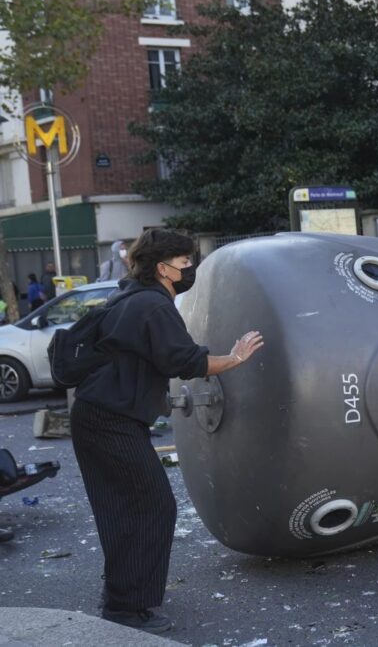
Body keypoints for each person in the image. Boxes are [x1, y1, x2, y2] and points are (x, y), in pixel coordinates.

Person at [70, 229, 264, 634]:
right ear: (163, 268)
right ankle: (127, 607)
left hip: (96, 414)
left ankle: (124, 595)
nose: (189, 267)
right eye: (184, 261)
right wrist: (236, 357)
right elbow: (186, 361)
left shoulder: (128, 295)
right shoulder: (152, 306)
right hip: (112, 419)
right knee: (154, 506)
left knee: (123, 507)